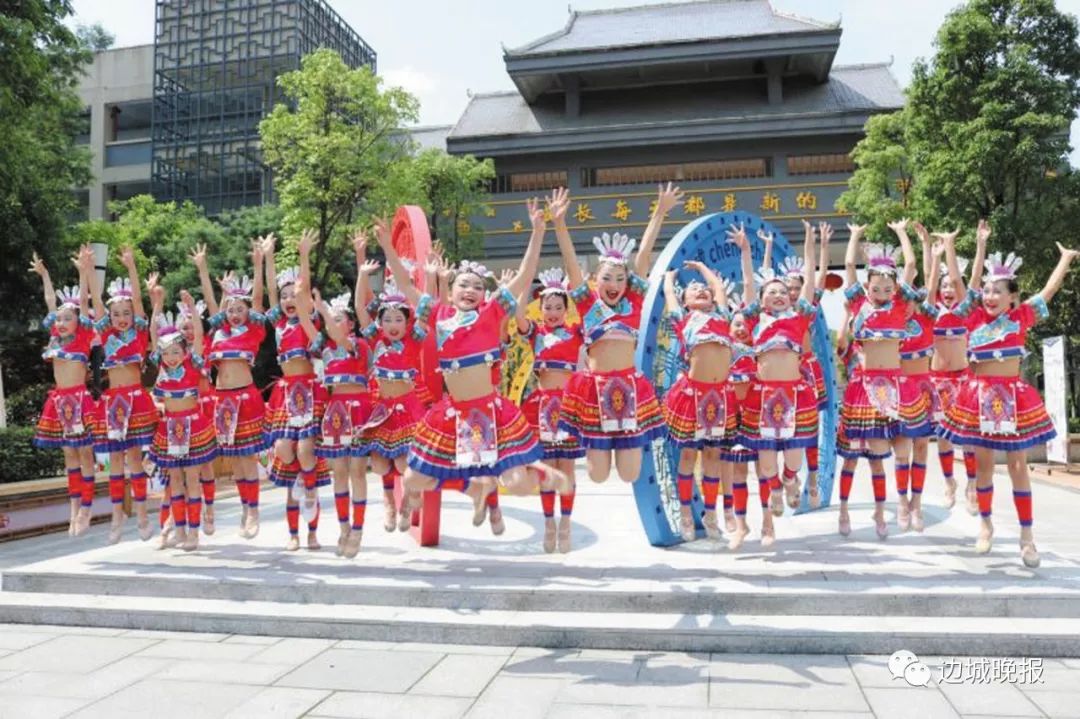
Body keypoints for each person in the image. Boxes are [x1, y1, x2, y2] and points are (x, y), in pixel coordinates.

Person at [381, 211, 559, 531]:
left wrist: (538, 232)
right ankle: (472, 488)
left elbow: (523, 274)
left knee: (518, 483)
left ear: (483, 294)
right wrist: (387, 247)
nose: (471, 289)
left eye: (478, 286)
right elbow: (407, 284)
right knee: (412, 477)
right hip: (453, 414)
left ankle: (528, 481)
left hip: (491, 412)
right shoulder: (438, 313)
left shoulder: (491, 314)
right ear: (452, 290)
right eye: (464, 284)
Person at [939, 235, 1078, 568]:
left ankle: (1027, 537)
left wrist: (1066, 259)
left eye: (997, 291)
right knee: (985, 466)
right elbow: (958, 282)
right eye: (986, 291)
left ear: (1012, 297)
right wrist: (949, 246)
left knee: (1018, 466)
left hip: (1013, 396)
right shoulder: (973, 319)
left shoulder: (1022, 318)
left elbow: (1048, 291)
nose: (989, 296)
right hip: (979, 395)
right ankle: (985, 524)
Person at [552, 184, 682, 483]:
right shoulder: (587, 304)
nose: (614, 283)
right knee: (597, 476)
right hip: (594, 392)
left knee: (629, 473)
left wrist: (660, 212)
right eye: (606, 278)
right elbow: (572, 266)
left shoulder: (634, 303)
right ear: (595, 280)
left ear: (627, 283)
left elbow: (644, 256)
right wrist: (559, 224)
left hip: (629, 389)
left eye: (620, 278)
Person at [734, 223, 818, 549]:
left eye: (783, 291)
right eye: (772, 292)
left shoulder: (800, 317)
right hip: (763, 397)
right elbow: (746, 284)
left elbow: (809, 280)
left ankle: (789, 479)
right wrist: (745, 250)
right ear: (763, 300)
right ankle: (775, 488)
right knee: (766, 462)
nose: (779, 295)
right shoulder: (755, 319)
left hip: (795, 396)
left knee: (793, 459)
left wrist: (810, 241)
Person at [836, 221, 920, 540]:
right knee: (861, 454)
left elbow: (910, 264)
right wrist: (855, 235)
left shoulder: (900, 307)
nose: (882, 293)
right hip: (865, 386)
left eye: (887, 289)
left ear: (895, 290)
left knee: (898, 449)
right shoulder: (860, 305)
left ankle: (894, 505)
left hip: (896, 386)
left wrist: (901, 232)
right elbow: (847, 266)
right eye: (876, 289)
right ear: (868, 288)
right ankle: (845, 510)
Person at [512, 201, 584, 552]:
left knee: (565, 465)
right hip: (540, 405)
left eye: (558, 307)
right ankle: (548, 524)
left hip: (568, 405)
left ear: (566, 309)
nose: (552, 312)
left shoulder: (576, 332)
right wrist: (525, 286)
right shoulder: (534, 331)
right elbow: (517, 311)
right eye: (547, 307)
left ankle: (566, 522)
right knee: (544, 467)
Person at [355, 229, 429, 533]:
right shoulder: (375, 339)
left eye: (399, 319)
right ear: (381, 322)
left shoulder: (414, 339)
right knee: (381, 463)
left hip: (409, 408)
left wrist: (430, 278)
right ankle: (387, 503)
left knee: (403, 465)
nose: (393, 324)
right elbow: (360, 308)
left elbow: (424, 307)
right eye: (387, 319)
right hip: (383, 409)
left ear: (406, 321)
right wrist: (362, 275)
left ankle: (406, 502)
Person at [194, 241, 269, 540]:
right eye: (231, 309)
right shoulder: (218, 333)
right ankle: (245, 505)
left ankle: (253, 510)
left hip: (245, 396)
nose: (235, 313)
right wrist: (202, 268)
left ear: (248, 312)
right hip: (221, 400)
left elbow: (260, 297)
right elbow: (213, 303)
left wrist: (259, 264)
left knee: (247, 458)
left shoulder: (254, 330)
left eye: (241, 309)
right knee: (234, 460)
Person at [263, 231, 331, 551]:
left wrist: (304, 255)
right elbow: (270, 295)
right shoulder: (278, 324)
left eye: (295, 295)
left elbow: (303, 295)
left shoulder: (309, 322)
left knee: (306, 451)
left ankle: (312, 529)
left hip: (309, 391)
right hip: (285, 393)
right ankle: (293, 532)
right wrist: (268, 257)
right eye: (285, 295)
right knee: (284, 450)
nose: (290, 300)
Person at [760, 220, 834, 512]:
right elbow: (762, 280)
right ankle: (777, 484)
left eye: (794, 288)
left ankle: (810, 478)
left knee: (806, 429)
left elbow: (818, 275)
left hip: (804, 372)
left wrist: (817, 243)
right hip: (771, 378)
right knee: (770, 435)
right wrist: (766, 248)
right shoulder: (765, 314)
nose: (789, 292)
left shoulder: (803, 311)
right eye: (785, 288)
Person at [661, 262, 736, 542]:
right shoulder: (682, 319)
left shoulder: (722, 315)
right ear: (684, 301)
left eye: (704, 290)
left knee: (713, 456)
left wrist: (703, 269)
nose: (702, 290)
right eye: (694, 290)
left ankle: (710, 512)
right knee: (689, 455)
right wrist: (670, 279)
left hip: (720, 397)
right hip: (693, 395)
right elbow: (670, 295)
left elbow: (717, 286)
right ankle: (684, 512)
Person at [86, 246, 155, 544]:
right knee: (115, 463)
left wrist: (131, 267)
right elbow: (97, 302)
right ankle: (116, 517)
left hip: (137, 400)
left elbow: (138, 301)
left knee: (135, 461)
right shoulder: (107, 333)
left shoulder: (139, 334)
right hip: (114, 402)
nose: (122, 318)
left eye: (126, 313)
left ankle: (141, 515)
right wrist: (88, 270)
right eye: (117, 314)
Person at [29, 247, 98, 536]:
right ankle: (73, 508)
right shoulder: (55, 338)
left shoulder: (82, 337)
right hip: (59, 401)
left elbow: (82, 302)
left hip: (80, 400)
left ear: (77, 321)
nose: (60, 322)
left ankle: (87, 507)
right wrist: (44, 275)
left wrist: (83, 272)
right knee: (69, 455)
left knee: (84, 453)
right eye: (58, 320)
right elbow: (49, 300)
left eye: (66, 318)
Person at [306, 281, 372, 558]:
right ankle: (344, 527)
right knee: (339, 472)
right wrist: (307, 301)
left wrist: (321, 307)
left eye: (338, 319)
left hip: (358, 409)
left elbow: (335, 333)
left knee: (357, 470)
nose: (332, 324)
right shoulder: (326, 349)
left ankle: (358, 529)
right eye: (330, 320)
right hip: (336, 412)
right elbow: (307, 324)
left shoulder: (356, 345)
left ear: (350, 324)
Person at [147, 289, 217, 551]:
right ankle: (179, 528)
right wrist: (157, 304)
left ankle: (194, 533)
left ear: (185, 351)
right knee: (175, 480)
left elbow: (198, 335)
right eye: (167, 353)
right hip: (170, 428)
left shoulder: (193, 365)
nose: (171, 356)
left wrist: (192, 309)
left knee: (192, 478)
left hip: (193, 426)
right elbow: (154, 334)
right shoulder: (162, 368)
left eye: (176, 351)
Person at [926, 221, 989, 513]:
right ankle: (949, 481)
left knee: (966, 435)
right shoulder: (931, 311)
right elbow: (929, 276)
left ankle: (972, 484)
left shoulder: (965, 309)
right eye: (945, 285)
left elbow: (972, 277)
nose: (949, 288)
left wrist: (979, 244)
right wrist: (932, 251)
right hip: (937, 380)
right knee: (943, 435)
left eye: (953, 284)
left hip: (963, 379)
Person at [890, 221, 941, 533]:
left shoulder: (926, 316)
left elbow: (929, 278)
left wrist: (928, 249)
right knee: (901, 449)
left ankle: (917, 504)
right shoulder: (890, 316)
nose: (907, 305)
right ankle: (900, 502)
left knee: (921, 448)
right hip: (899, 389)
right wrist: (902, 234)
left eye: (912, 300)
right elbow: (908, 267)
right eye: (903, 298)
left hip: (924, 387)